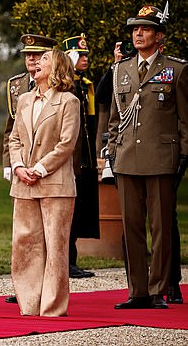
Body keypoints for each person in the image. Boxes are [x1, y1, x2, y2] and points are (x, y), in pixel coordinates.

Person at [107, 4, 188, 310]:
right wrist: (112, 152)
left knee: (161, 228)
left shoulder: (176, 70)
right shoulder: (120, 70)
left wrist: (183, 156)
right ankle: (136, 291)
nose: (138, 33)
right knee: (132, 228)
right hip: (127, 158)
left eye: (145, 28)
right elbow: (115, 118)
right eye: (135, 29)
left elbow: (185, 118)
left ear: (159, 34)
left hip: (161, 158)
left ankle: (157, 290)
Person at [8, 48, 80, 317]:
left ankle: (51, 307)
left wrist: (38, 169)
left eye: (44, 59)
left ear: (58, 67)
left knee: (55, 247)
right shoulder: (24, 99)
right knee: (24, 244)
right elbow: (14, 139)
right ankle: (29, 304)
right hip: (23, 183)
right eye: (35, 60)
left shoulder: (69, 101)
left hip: (56, 185)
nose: (36, 62)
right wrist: (18, 167)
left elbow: (66, 144)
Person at [2, 33, 57, 304]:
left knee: (52, 234)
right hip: (23, 166)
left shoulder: (63, 88)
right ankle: (26, 288)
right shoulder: (17, 87)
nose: (32, 60)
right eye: (28, 55)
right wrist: (11, 163)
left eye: (38, 55)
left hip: (52, 168)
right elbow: (11, 130)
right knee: (25, 235)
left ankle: (50, 286)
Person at [62, 34, 100, 278]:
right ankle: (67, 261)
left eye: (86, 55)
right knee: (67, 212)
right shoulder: (67, 85)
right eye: (80, 55)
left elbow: (92, 120)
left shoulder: (86, 84)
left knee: (79, 210)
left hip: (84, 158)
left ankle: (71, 259)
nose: (85, 59)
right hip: (70, 157)